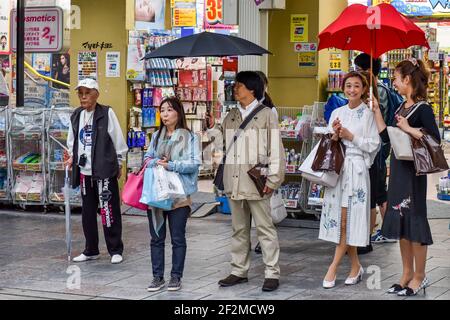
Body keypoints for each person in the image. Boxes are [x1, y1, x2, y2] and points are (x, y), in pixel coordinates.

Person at [372, 58, 438, 296]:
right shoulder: (401, 107)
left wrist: (409, 129)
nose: (394, 82)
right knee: (401, 223)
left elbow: (434, 140)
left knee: (415, 222)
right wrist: (378, 111)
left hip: (414, 173)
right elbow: (387, 137)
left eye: (397, 78)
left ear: (407, 79)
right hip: (398, 170)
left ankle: (419, 276)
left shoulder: (423, 109)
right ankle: (406, 274)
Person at [214, 71, 286, 292]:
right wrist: (212, 130)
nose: (235, 89)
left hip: (257, 182)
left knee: (265, 228)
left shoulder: (266, 115)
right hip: (234, 180)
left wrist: (274, 180)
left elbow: (277, 150)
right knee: (239, 228)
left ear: (252, 89)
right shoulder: (232, 115)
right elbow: (221, 142)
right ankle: (238, 270)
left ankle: (272, 272)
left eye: (239, 86)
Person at [320, 71, 380, 289]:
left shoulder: (368, 114)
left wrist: (351, 136)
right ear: (343, 88)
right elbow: (329, 142)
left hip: (357, 171)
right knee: (343, 221)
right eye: (348, 86)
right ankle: (355, 266)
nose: (352, 90)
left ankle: (333, 267)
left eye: (356, 86)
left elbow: (374, 145)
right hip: (340, 171)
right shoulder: (337, 111)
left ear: (364, 89)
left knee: (349, 220)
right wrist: (335, 134)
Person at [67, 78, 128, 264]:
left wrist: (119, 162)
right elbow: (72, 141)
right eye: (81, 93)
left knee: (108, 211)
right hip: (85, 172)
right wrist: (71, 157)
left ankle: (115, 249)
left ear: (96, 94)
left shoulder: (106, 113)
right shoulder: (76, 115)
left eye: (87, 93)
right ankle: (91, 249)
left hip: (104, 171)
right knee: (87, 213)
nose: (83, 97)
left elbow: (118, 139)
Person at [143, 97, 201, 292]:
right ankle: (157, 277)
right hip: (157, 195)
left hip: (179, 196)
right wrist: (156, 162)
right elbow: (147, 159)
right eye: (162, 110)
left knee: (178, 238)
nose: (165, 114)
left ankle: (176, 276)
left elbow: (194, 163)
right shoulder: (156, 136)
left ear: (178, 112)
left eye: (169, 110)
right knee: (156, 238)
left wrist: (171, 165)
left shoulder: (190, 137)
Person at [354, 53, 398, 253]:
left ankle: (388, 231)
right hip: (378, 148)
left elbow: (380, 124)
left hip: (377, 149)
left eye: (359, 69)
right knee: (379, 192)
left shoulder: (377, 92)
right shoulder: (382, 89)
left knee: (378, 192)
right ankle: (388, 230)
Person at [253, 70, 280, 255]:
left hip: (262, 163)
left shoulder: (270, 110)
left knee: (263, 205)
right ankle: (257, 239)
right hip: (247, 163)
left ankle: (263, 241)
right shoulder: (244, 109)